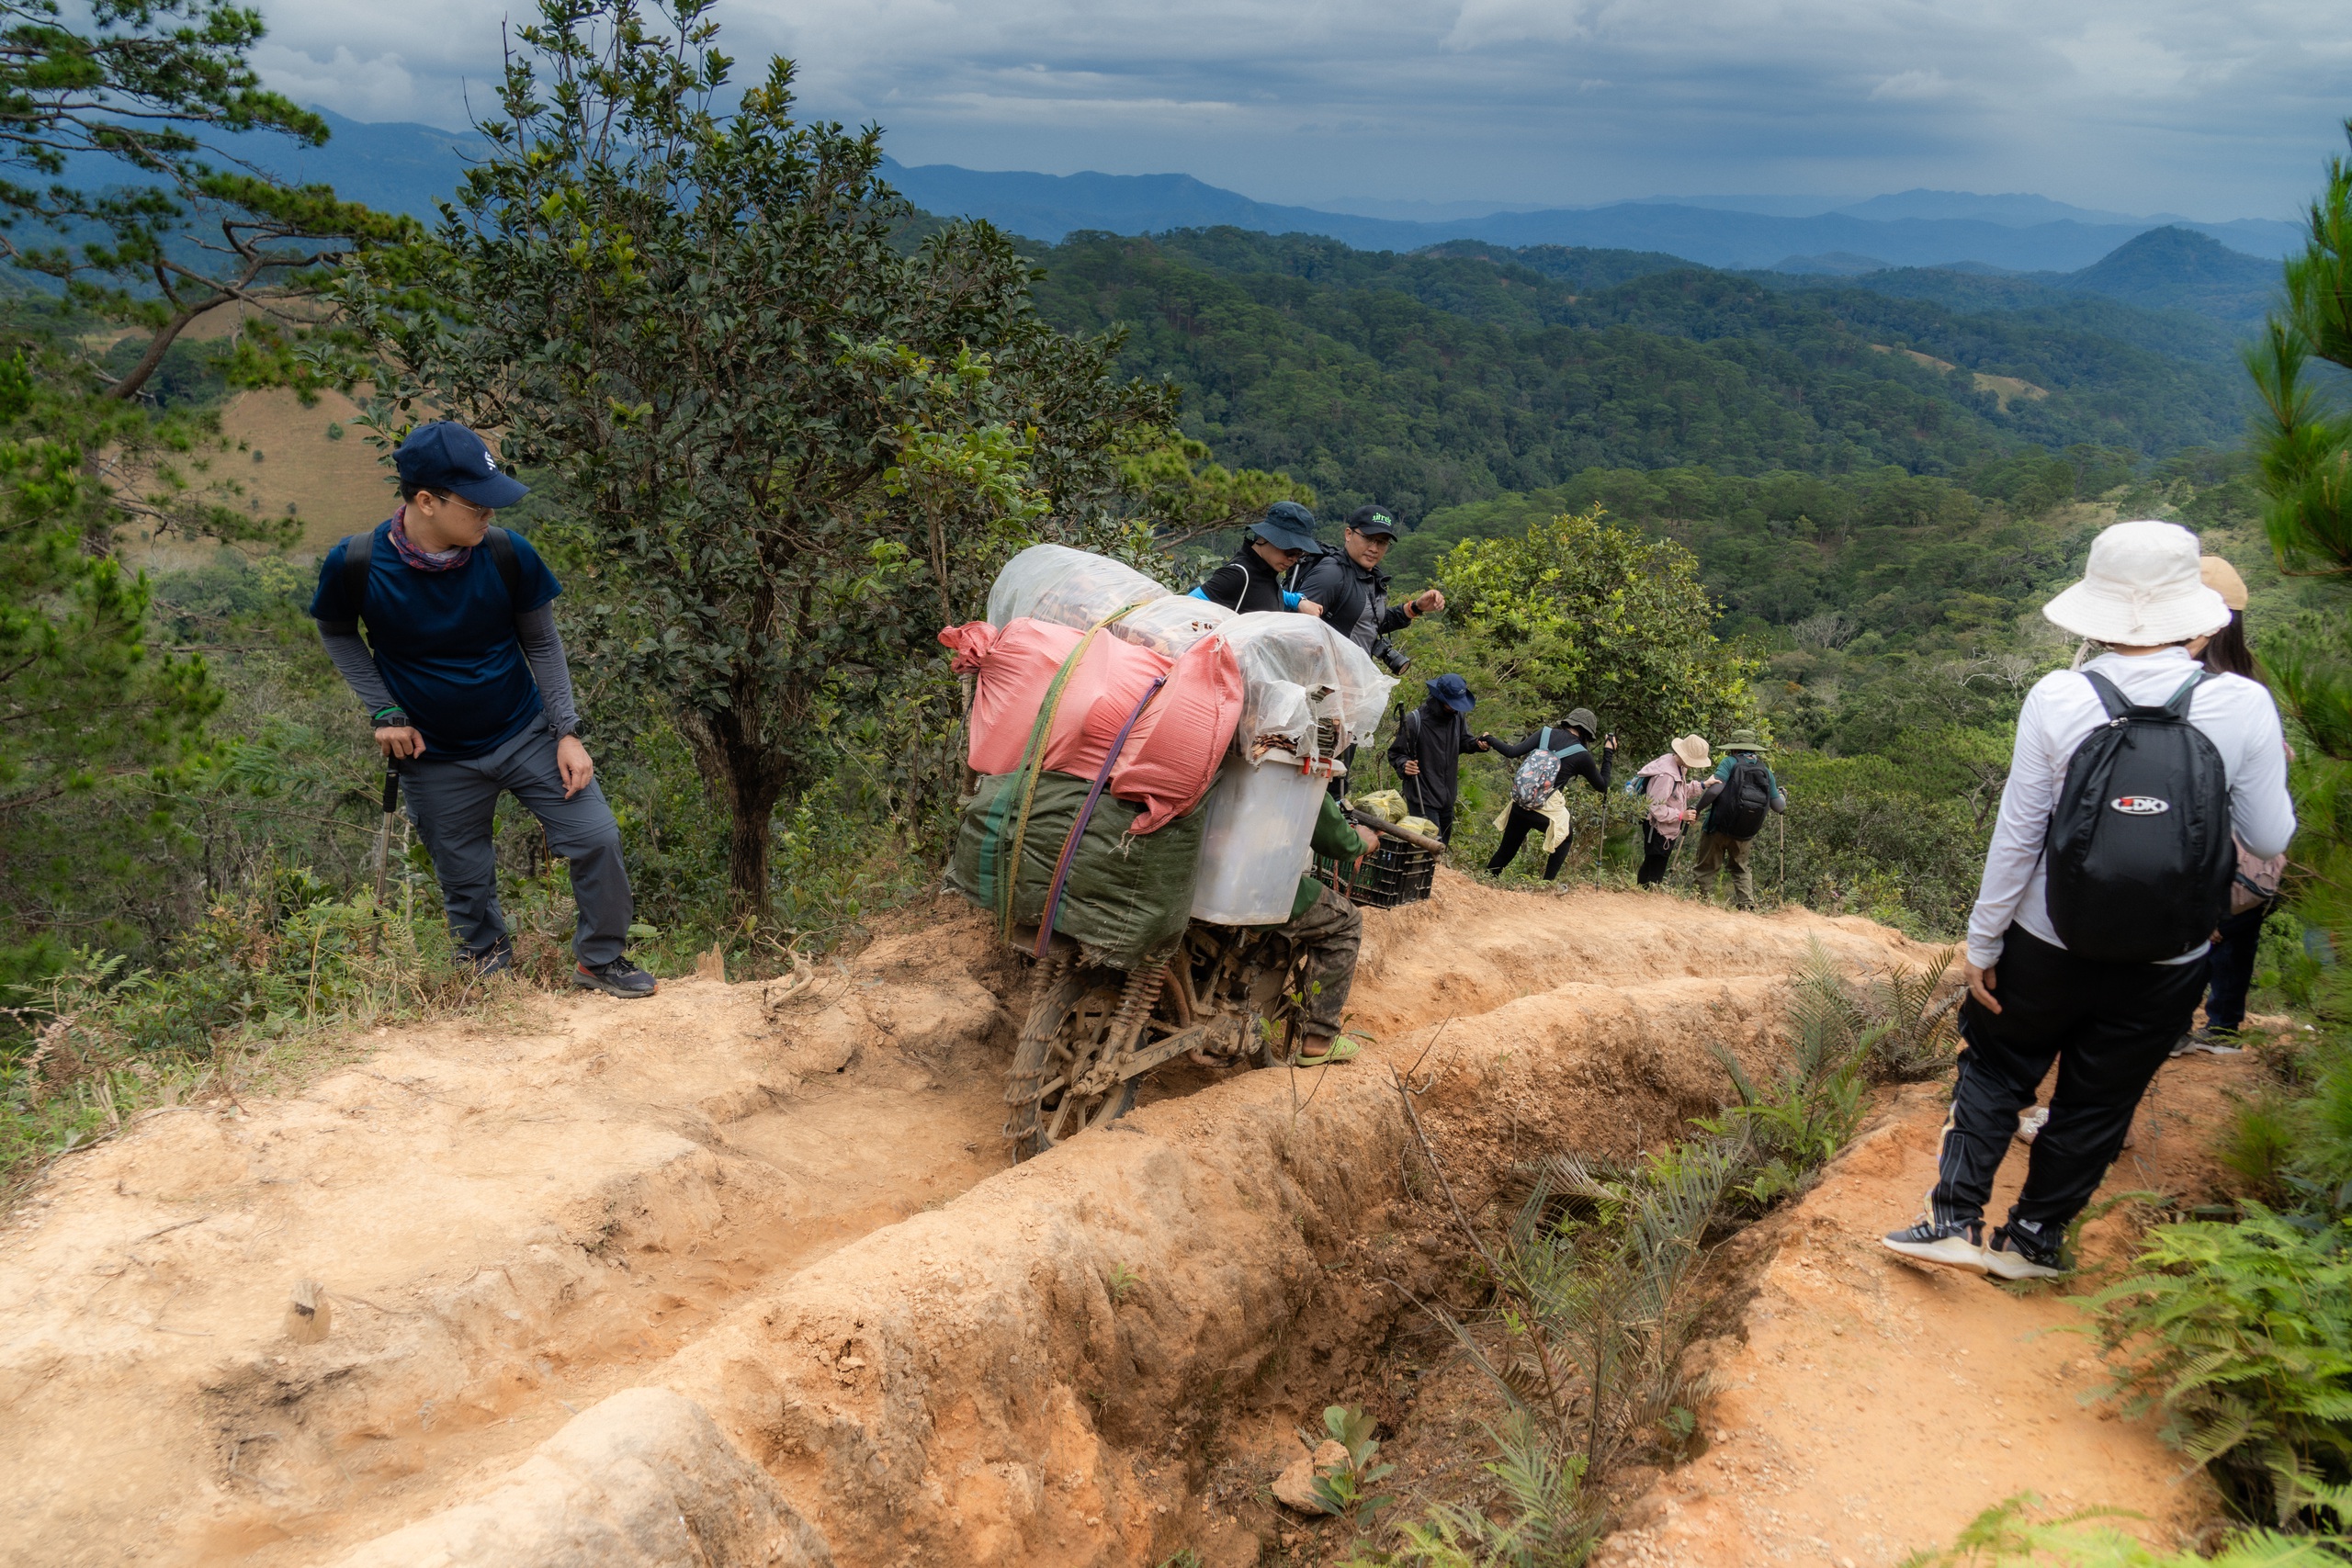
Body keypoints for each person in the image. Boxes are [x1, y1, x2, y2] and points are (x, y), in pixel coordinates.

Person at [1883, 521, 2293, 1280]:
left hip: (2047, 936)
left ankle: (1952, 1219)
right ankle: (2034, 1240)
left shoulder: (2061, 694)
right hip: (2172, 952)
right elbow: (2269, 837)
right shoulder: (2243, 706)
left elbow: (2018, 832)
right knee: (2101, 1096)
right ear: (2197, 620)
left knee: (1999, 1063)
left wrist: (1984, 942)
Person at [310, 421, 658, 999]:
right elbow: (338, 634)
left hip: (526, 732)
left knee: (596, 836)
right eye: (477, 504)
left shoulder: (504, 554)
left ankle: (601, 960)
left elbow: (542, 644)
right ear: (426, 501)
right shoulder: (358, 564)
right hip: (434, 754)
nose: (489, 515)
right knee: (464, 874)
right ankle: (486, 966)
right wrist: (385, 712)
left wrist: (566, 732)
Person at [2184, 554, 2284, 1054]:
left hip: (2193, 855)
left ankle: (2177, 1025)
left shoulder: (2175, 688)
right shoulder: (2252, 689)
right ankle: (2223, 1026)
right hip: (2254, 858)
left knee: (2187, 943)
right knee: (2236, 943)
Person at [1277, 795, 1386, 1066]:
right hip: (1261, 888)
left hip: (1186, 885)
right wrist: (1363, 841)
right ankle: (1319, 1037)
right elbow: (1336, 840)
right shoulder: (1293, 760)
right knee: (1347, 921)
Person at [1481, 707, 1617, 880]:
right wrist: (1608, 752)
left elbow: (1511, 751)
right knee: (1566, 837)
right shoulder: (1582, 755)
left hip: (1521, 804)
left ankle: (1485, 882)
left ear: (1568, 723)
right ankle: (1547, 884)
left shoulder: (1544, 733)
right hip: (1544, 812)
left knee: (1505, 852)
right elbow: (1602, 786)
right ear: (1586, 733)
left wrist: (1488, 739)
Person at [1294, 504, 1443, 658]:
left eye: (1382, 542)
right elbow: (1294, 629)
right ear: (1348, 534)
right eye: (1369, 539)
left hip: (1355, 679)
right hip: (1326, 679)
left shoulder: (1367, 576)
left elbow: (1366, 623)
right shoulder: (1332, 574)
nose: (1374, 548)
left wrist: (1414, 607)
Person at [1689, 728, 1787, 909]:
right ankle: (1747, 906)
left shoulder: (1729, 762)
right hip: (1745, 832)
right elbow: (1778, 807)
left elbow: (1716, 788)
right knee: (1740, 869)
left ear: (1734, 749)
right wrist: (1784, 797)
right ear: (1754, 749)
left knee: (1706, 868)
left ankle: (1701, 905)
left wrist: (1697, 808)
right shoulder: (1765, 770)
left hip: (1718, 826)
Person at [1385, 673, 1487, 842]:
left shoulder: (1457, 717)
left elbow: (1463, 742)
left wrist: (1477, 744)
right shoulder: (1414, 721)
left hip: (1447, 797)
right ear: (1440, 698)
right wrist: (1404, 765)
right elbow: (1395, 753)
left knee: (1441, 848)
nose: (1456, 709)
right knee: (1428, 850)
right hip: (1423, 797)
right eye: (1453, 704)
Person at [1192, 501, 1327, 616]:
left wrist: (1298, 601)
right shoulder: (1239, 575)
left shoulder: (1265, 571)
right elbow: (1186, 604)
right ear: (1268, 537)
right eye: (1290, 551)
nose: (1294, 559)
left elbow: (1266, 591)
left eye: (1300, 553)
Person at [1632, 736, 1711, 887]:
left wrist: (1702, 785)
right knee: (1655, 869)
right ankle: (1645, 900)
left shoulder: (1674, 765)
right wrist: (1681, 815)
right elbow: (1655, 806)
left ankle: (1641, 896)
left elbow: (1677, 793)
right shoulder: (1667, 775)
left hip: (1663, 829)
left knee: (1651, 864)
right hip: (1658, 830)